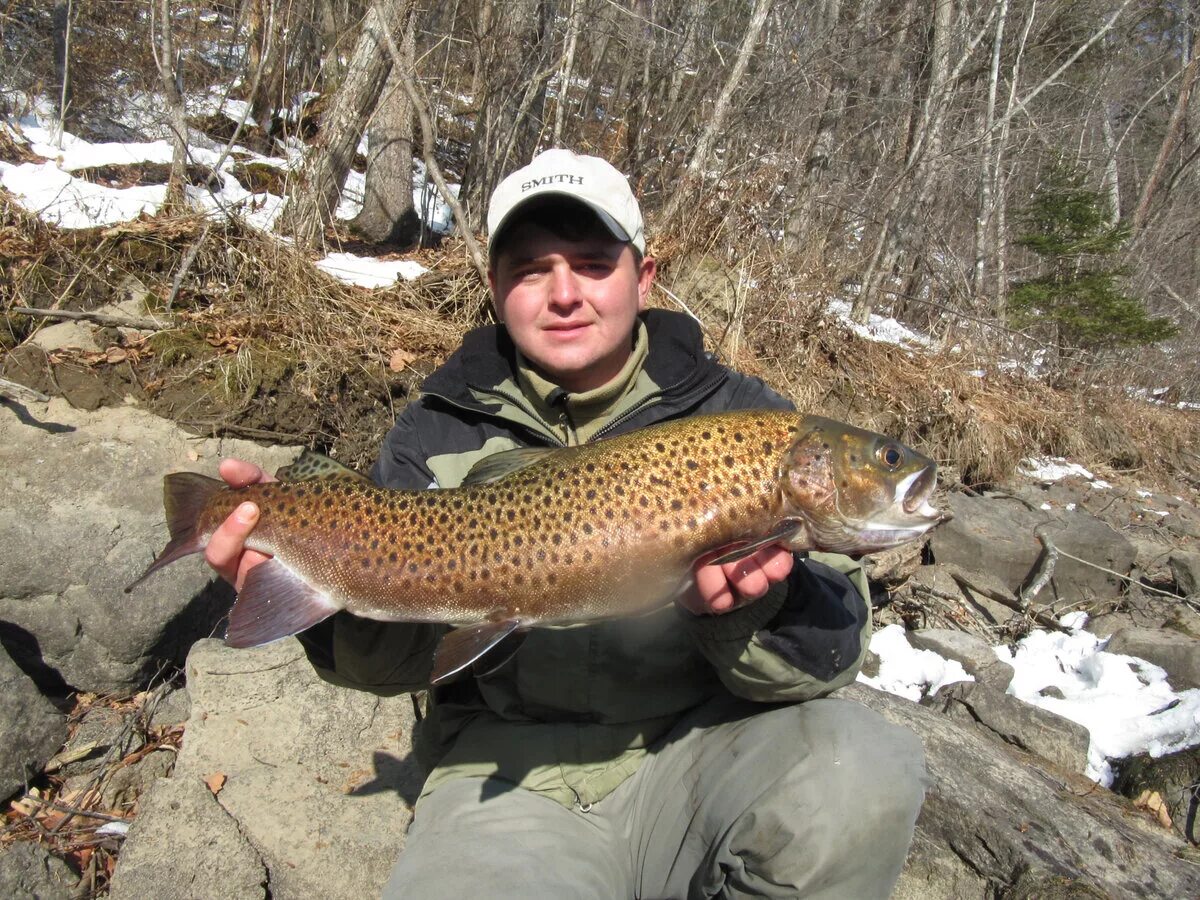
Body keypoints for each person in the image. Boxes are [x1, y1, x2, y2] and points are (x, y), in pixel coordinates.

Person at [206, 149, 927, 898]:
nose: (563, 295)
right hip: (506, 771)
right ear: (493, 288)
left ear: (642, 280)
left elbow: (832, 654)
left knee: (864, 768)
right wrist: (301, 580)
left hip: (699, 746)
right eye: (529, 270)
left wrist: (754, 607)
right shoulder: (432, 433)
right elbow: (387, 666)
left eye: (591, 264)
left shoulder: (745, 417)